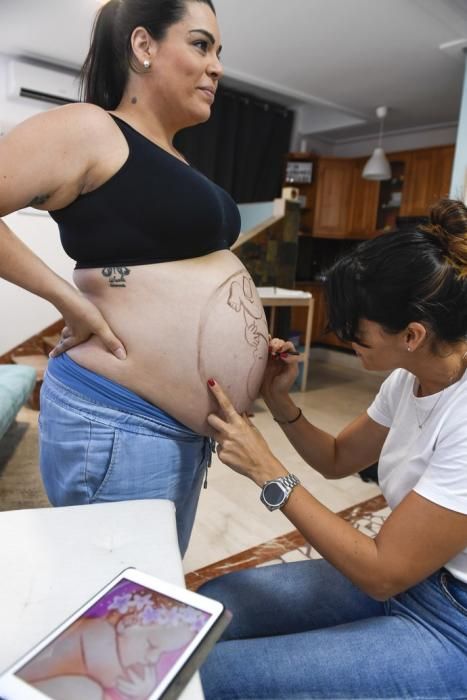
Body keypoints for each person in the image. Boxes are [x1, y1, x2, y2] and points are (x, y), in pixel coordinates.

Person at [0, 0, 269, 555]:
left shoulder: (176, 160)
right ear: (144, 47)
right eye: (201, 44)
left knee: (150, 598)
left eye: (220, 51)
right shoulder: (91, 128)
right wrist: (67, 301)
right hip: (118, 418)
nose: (217, 66)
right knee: (118, 614)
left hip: (179, 430)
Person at [199, 198, 467, 699]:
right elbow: (339, 459)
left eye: (355, 332)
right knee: (216, 603)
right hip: (414, 576)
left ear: (412, 334)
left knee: (217, 679)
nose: (343, 340)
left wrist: (267, 472)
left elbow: (382, 573)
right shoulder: (409, 378)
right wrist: (279, 401)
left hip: (455, 620)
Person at [17, 580, 208, 700]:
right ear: (128, 623)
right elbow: (113, 679)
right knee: (87, 691)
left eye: (160, 652)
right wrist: (142, 690)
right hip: (25, 689)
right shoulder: (98, 632)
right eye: (152, 646)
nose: (153, 659)